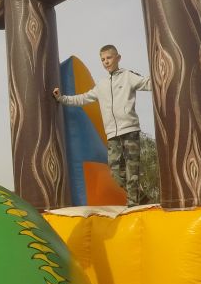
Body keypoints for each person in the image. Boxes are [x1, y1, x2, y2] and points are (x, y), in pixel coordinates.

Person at [53, 44, 151, 206]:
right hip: (112, 134)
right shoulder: (102, 85)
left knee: (132, 171)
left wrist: (163, 75)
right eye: (103, 59)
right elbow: (83, 98)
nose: (106, 61)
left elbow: (148, 83)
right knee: (115, 173)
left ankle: (133, 204)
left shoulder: (128, 76)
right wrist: (61, 98)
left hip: (130, 130)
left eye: (109, 58)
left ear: (118, 58)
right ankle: (141, 197)